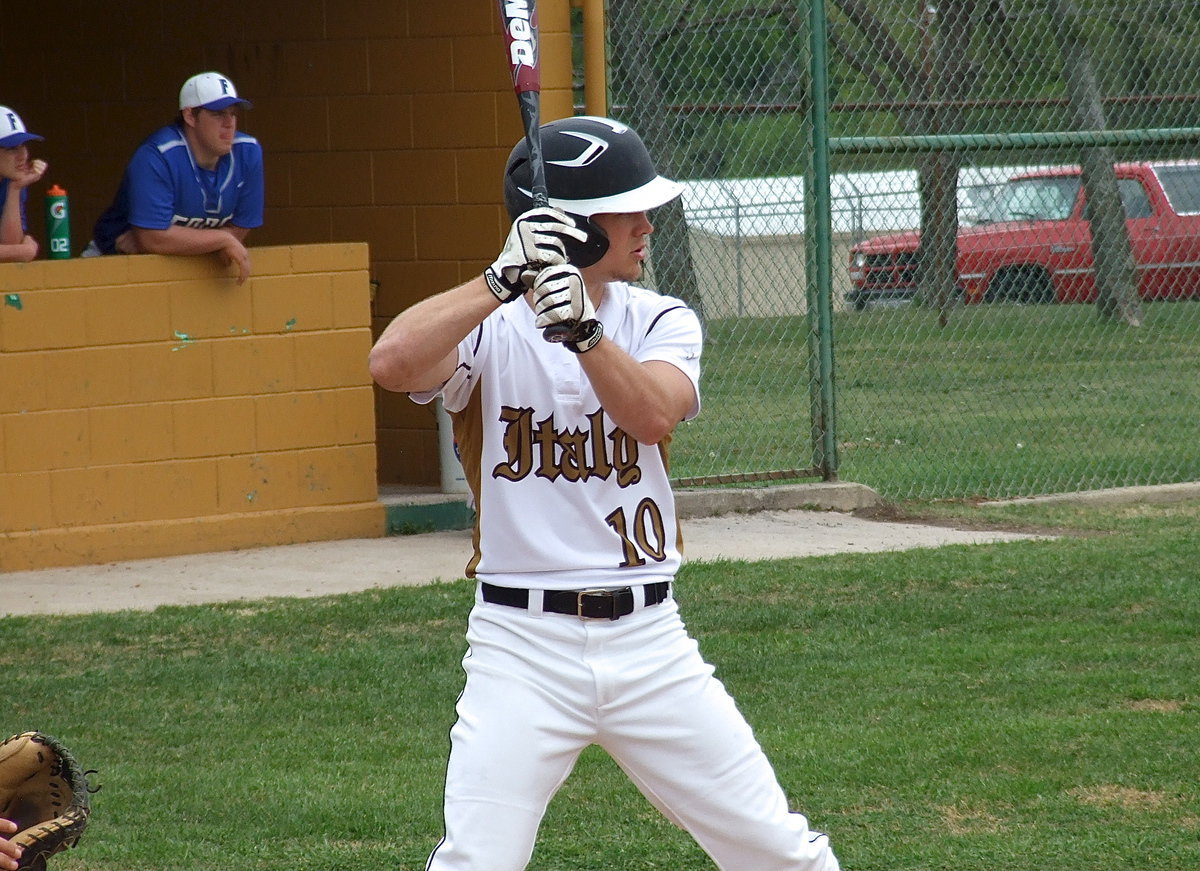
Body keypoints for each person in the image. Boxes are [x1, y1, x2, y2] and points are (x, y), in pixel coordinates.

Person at [368, 115, 841, 871]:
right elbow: (391, 361)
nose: (647, 224)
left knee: (778, 852)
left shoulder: (660, 318)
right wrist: (498, 282)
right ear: (576, 226)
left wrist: (585, 333)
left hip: (651, 641)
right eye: (629, 210)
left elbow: (651, 413)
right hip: (519, 646)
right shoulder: (493, 330)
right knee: (475, 862)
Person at [83, 72, 263, 284]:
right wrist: (220, 239)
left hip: (186, 272)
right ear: (189, 116)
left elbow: (240, 227)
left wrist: (204, 242)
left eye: (233, 114)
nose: (229, 123)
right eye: (217, 114)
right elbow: (153, 238)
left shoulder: (248, 152)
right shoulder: (158, 155)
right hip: (113, 265)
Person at [0, 105, 48, 262]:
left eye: (23, 146)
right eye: (12, 148)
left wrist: (15, 188)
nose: (23, 155)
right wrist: (23, 251)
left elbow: (9, 244)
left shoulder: (10, 180)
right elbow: (15, 252)